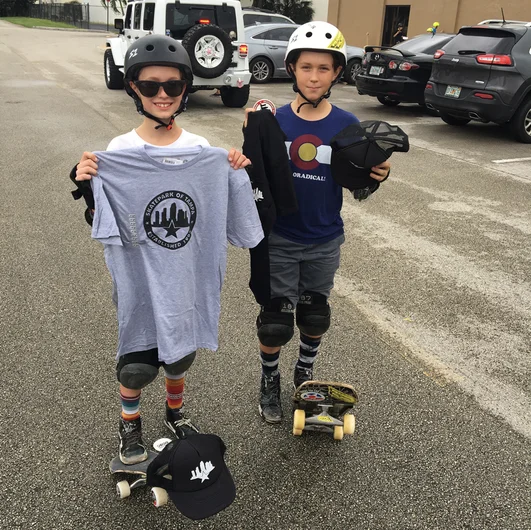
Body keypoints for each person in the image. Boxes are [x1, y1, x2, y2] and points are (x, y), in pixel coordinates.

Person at [72, 35, 261, 464]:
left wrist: (235, 172)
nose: (162, 94)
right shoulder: (117, 154)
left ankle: (175, 413)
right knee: (137, 362)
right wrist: (90, 187)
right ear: (133, 88)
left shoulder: (204, 153)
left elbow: (245, 230)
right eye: (150, 85)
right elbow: (104, 225)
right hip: (140, 278)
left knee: (180, 357)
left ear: (185, 90)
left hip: (187, 279)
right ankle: (130, 422)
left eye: (172, 86)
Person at [243, 21, 391, 423]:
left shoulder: (347, 125)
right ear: (292, 69)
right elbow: (250, 177)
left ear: (337, 73)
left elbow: (357, 190)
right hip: (279, 238)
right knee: (275, 323)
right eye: (306, 67)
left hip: (324, 239)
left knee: (314, 316)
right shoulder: (272, 120)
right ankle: (269, 380)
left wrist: (376, 178)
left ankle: (305, 370)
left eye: (324, 68)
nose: (314, 76)